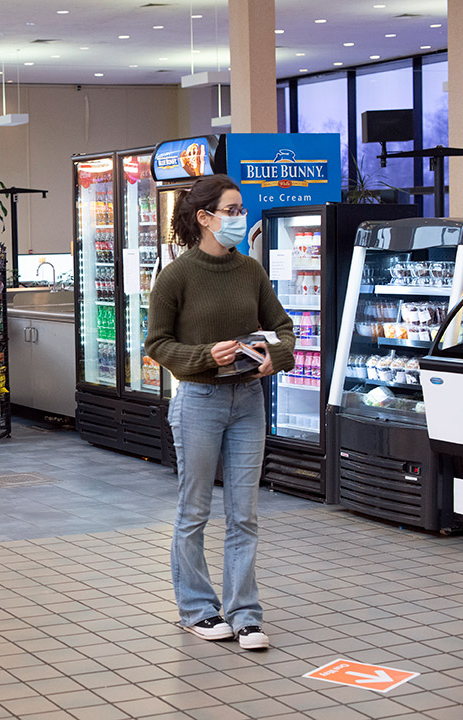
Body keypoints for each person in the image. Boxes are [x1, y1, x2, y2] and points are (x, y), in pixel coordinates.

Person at [144, 174, 294, 651]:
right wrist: (208, 356)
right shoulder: (177, 276)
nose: (240, 217)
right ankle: (197, 610)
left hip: (249, 402)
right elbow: (158, 345)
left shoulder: (250, 270)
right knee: (194, 511)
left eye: (240, 209)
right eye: (231, 211)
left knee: (244, 514)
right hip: (199, 403)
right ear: (205, 218)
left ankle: (245, 614)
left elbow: (282, 327)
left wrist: (277, 357)